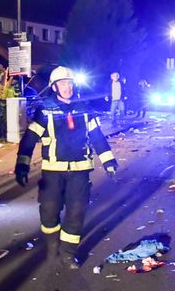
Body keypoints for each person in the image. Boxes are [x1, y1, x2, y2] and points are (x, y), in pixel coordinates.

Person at [15, 66, 119, 268]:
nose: (67, 87)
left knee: (76, 211)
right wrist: (22, 165)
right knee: (49, 211)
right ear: (54, 87)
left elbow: (97, 136)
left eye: (70, 83)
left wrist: (109, 162)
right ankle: (53, 242)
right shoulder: (45, 110)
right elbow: (29, 138)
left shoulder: (84, 108)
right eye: (63, 83)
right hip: (53, 170)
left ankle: (68, 253)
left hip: (80, 170)